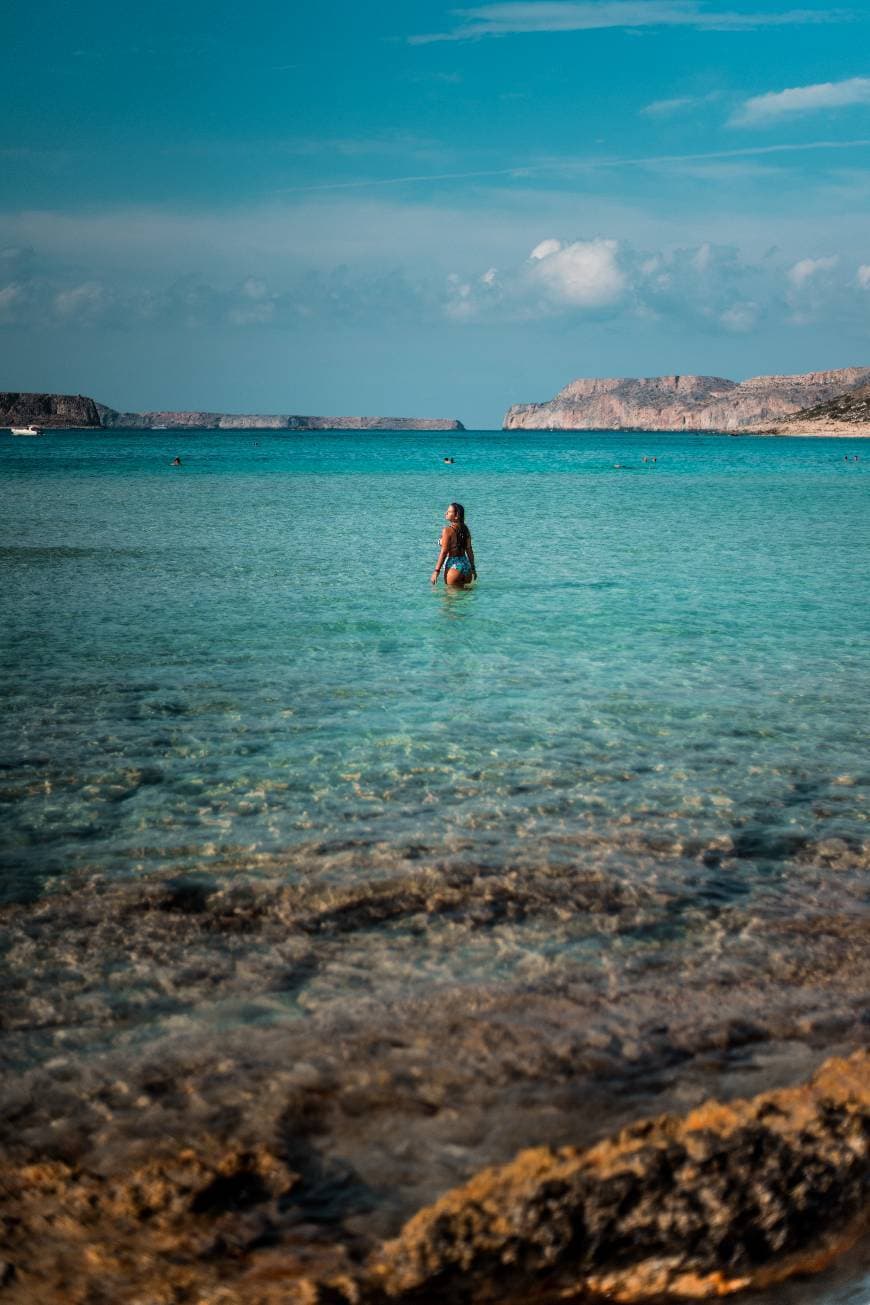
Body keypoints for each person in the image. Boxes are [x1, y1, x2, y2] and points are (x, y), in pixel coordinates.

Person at [431, 502, 476, 587]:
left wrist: (436, 571)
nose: (446, 513)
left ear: (456, 516)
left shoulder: (447, 530)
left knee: (449, 599)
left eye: (449, 511)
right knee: (465, 598)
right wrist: (473, 568)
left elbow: (444, 552)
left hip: (454, 567)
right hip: (466, 567)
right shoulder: (465, 529)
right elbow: (469, 550)